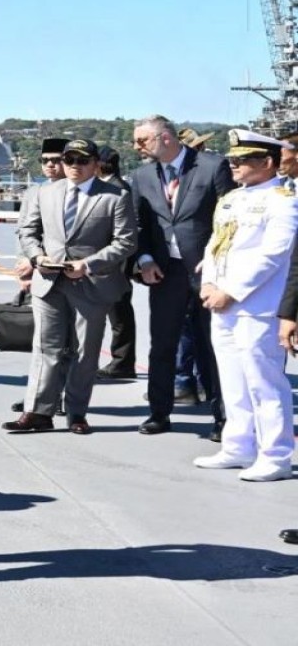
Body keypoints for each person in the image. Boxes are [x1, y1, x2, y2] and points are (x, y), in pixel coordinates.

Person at [3, 140, 136, 436]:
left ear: (95, 164)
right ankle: (37, 412)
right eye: (69, 159)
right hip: (49, 282)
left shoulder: (115, 196)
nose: (74, 166)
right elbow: (28, 230)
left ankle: (77, 412)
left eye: (82, 160)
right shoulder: (44, 193)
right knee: (44, 347)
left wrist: (87, 264)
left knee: (85, 352)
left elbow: (126, 242)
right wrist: (37, 258)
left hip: (90, 283)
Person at [193, 129, 298, 482]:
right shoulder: (231, 200)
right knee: (232, 378)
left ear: (266, 163)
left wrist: (232, 291)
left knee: (264, 382)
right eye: (232, 160)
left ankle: (276, 455)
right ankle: (238, 446)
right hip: (222, 301)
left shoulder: (283, 201)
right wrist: (209, 282)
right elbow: (214, 245)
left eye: (241, 160)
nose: (233, 166)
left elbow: (274, 254)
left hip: (256, 305)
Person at [131, 115, 234, 438]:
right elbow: (138, 225)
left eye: (142, 141)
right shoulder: (142, 175)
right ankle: (159, 414)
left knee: (211, 346)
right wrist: (144, 259)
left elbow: (230, 220)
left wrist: (219, 265)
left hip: (207, 272)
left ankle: (223, 418)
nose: (136, 147)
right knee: (162, 345)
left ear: (165, 138)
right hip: (165, 273)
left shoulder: (211, 166)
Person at [10, 138, 70, 414]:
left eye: (56, 159)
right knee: (44, 344)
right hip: (41, 275)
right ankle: (42, 397)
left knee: (70, 345)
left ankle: (64, 396)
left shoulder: (80, 193)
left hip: (73, 276)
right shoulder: (34, 192)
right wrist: (26, 265)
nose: (50, 165)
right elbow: (24, 231)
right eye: (45, 160)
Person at [94, 145, 137, 380]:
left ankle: (122, 362)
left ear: (100, 164)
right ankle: (121, 360)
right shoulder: (117, 186)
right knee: (117, 315)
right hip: (113, 264)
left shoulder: (117, 189)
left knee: (119, 316)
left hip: (116, 265)